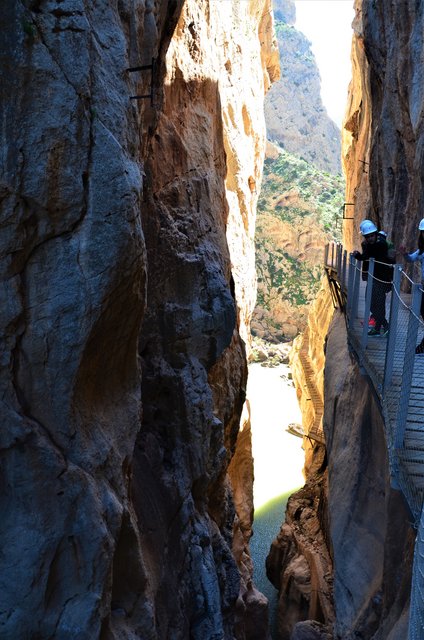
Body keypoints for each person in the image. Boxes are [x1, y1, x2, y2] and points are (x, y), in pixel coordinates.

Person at [352, 220, 393, 336]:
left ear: (375, 234)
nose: (370, 238)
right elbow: (366, 257)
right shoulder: (375, 244)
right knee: (372, 303)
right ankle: (379, 326)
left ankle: (384, 326)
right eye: (368, 237)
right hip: (375, 278)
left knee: (377, 304)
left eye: (372, 236)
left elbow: (366, 257)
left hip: (381, 279)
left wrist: (358, 255)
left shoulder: (379, 245)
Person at [402, 218, 424, 355]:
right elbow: (411, 258)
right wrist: (404, 254)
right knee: (422, 310)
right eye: (423, 232)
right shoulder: (421, 251)